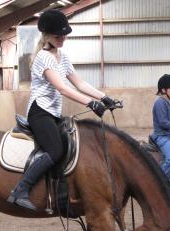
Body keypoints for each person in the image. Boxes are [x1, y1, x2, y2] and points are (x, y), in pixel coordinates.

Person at [7, 9, 118, 211]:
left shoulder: (63, 56)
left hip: (53, 113)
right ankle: (20, 190)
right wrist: (90, 104)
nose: (63, 39)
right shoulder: (43, 58)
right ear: (47, 36)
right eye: (59, 36)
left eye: (64, 35)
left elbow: (79, 83)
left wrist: (104, 97)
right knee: (55, 150)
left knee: (73, 142)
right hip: (39, 112)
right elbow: (62, 87)